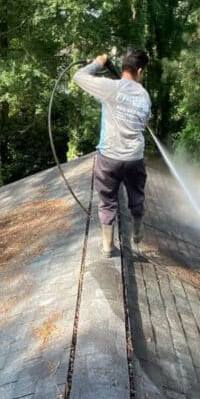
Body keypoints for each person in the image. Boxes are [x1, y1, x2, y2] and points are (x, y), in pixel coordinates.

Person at [73, 49, 152, 257]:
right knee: (137, 197)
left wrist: (98, 62)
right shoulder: (144, 95)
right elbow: (144, 122)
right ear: (140, 70)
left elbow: (78, 76)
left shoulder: (111, 88)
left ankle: (108, 246)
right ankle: (137, 234)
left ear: (124, 66)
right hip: (134, 158)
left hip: (109, 157)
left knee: (107, 200)